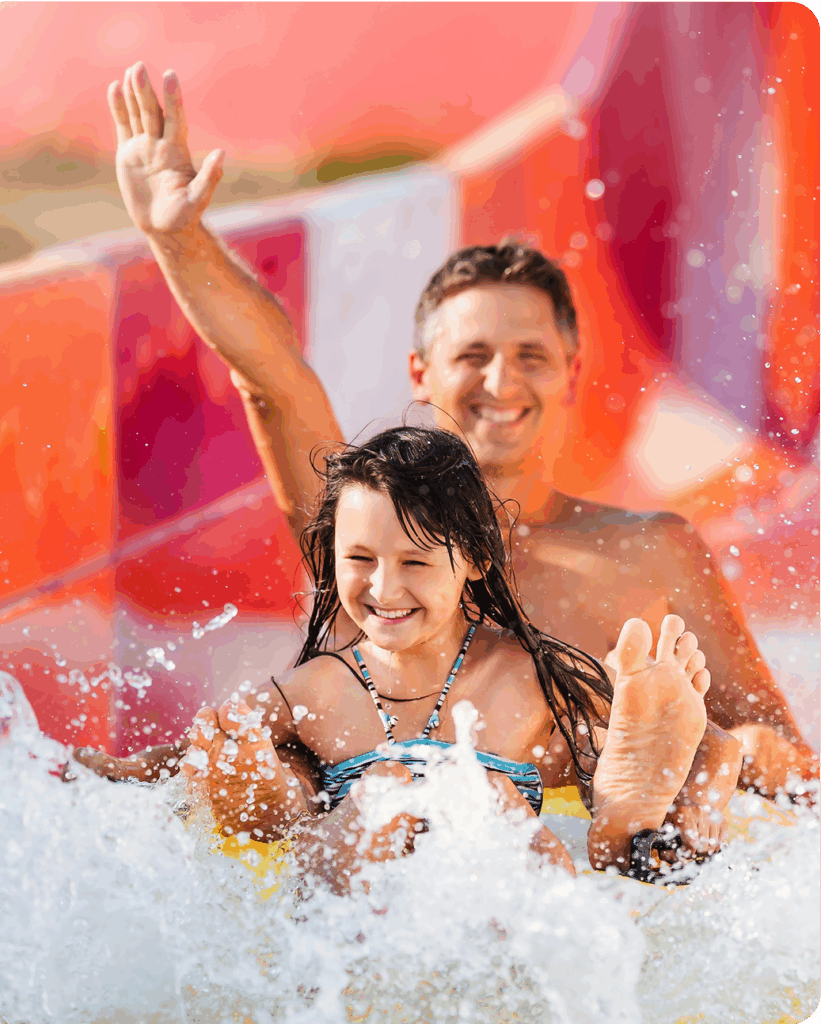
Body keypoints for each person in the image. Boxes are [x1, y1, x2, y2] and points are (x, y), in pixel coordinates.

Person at [93, 62, 816, 800]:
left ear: (569, 370)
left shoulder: (648, 553)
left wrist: (711, 753)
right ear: (420, 372)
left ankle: (631, 788)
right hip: (369, 822)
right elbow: (272, 380)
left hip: (555, 837)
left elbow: (782, 748)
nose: (500, 384)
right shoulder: (359, 515)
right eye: (471, 356)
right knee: (268, 783)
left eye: (529, 357)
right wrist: (178, 238)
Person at [176, 426, 737, 893]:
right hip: (361, 889)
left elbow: (714, 743)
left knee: (485, 789)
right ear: (331, 554)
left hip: (494, 883)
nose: (383, 587)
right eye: (360, 558)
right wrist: (121, 769)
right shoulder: (316, 688)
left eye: (414, 563)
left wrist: (699, 809)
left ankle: (624, 824)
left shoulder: (529, 674)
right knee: (380, 788)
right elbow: (181, 754)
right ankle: (266, 800)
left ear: (474, 560)